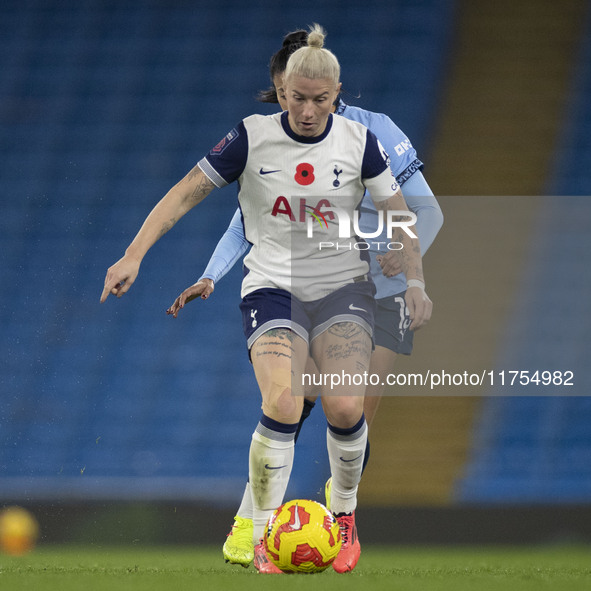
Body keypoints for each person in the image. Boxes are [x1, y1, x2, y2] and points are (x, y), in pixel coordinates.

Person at [103, 24, 431, 574]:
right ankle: (259, 537)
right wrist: (134, 254)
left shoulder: (360, 142)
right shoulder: (251, 139)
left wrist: (415, 282)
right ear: (282, 92)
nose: (307, 110)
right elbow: (187, 191)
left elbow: (400, 216)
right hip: (273, 290)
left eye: (319, 100)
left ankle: (343, 518)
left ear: (337, 93)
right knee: (282, 401)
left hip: (344, 290)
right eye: (296, 98)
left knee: (345, 406)